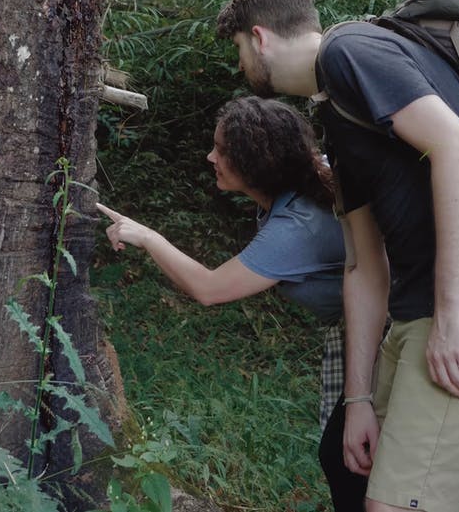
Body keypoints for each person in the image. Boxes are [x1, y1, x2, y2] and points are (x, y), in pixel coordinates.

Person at [216, 0, 459, 512]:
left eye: (241, 48)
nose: (242, 65)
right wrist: (358, 397)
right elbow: (364, 267)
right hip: (412, 315)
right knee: (355, 477)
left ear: (261, 36)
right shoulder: (335, 110)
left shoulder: (349, 49)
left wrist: (452, 311)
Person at [97, 96, 365, 511]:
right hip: (361, 334)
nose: (210, 157)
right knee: (345, 456)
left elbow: (209, 288)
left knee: (347, 458)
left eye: (221, 151)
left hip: (385, 337)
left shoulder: (298, 227)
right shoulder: (307, 181)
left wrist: (148, 237)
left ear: (254, 162)